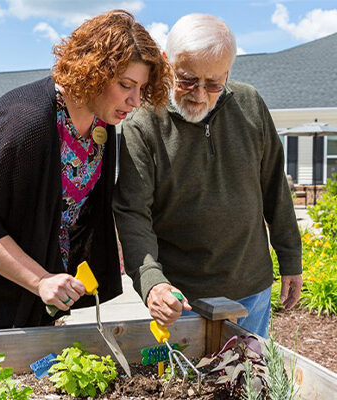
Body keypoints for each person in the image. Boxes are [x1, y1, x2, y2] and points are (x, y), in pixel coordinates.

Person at [0, 10, 171, 329]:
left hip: (37, 294)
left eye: (140, 88)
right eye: (126, 84)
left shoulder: (102, 125)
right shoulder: (25, 122)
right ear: (95, 71)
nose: (134, 100)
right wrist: (40, 280)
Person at [113, 13, 302, 337]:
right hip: (183, 299)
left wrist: (290, 258)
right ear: (166, 62)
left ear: (228, 73)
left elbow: (274, 186)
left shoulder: (250, 104)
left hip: (252, 287)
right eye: (187, 80)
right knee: (187, 387)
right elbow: (133, 213)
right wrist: (152, 283)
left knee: (250, 383)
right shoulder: (143, 124)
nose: (200, 94)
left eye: (214, 84)